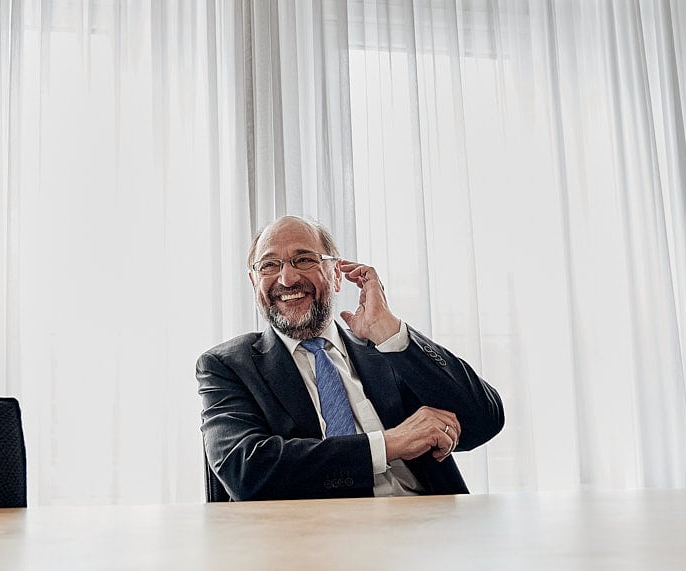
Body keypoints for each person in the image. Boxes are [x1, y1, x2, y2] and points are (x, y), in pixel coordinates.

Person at [196, 215, 504, 501]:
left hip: (423, 534)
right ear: (254, 283)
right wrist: (389, 444)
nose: (287, 279)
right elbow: (246, 472)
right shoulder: (227, 366)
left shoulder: (386, 350)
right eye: (269, 266)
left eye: (303, 260)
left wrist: (390, 334)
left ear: (336, 275)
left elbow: (483, 422)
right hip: (311, 546)